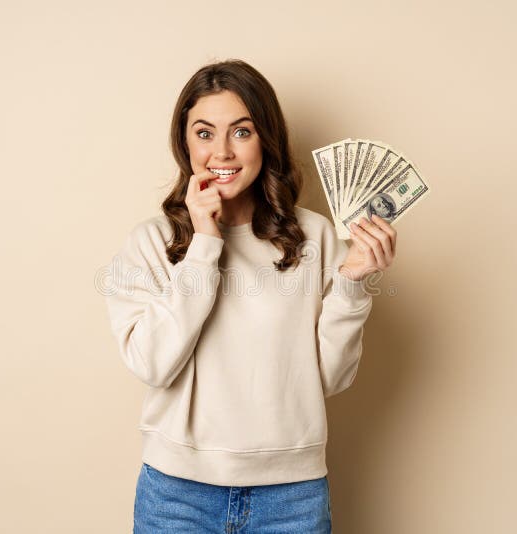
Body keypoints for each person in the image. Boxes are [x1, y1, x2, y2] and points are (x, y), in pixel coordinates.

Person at [104, 59, 397, 533]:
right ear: (184, 143)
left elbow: (329, 378)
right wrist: (203, 244)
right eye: (204, 133)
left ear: (266, 139)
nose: (221, 152)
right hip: (177, 495)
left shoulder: (315, 237)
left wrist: (351, 283)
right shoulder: (150, 243)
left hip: (292, 497)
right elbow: (152, 364)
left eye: (241, 132)